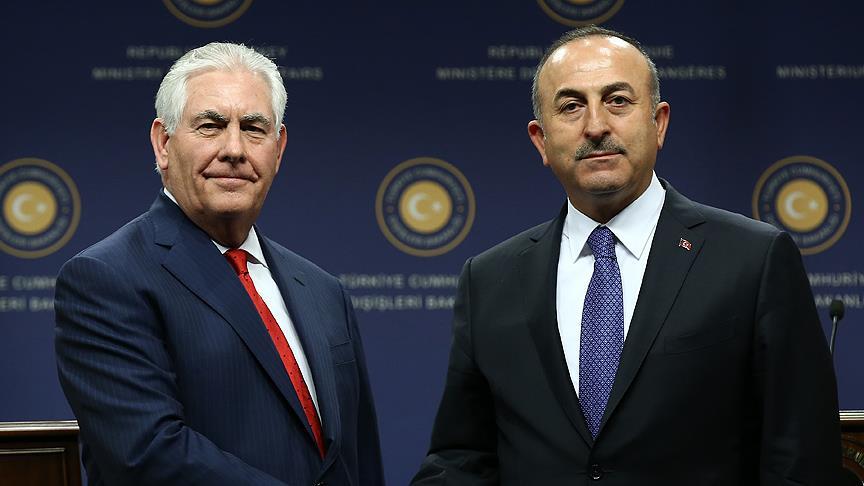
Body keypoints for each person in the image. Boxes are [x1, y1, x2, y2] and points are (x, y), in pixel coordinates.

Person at [412, 26, 841, 485]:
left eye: (617, 100)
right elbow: (463, 459)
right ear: (541, 140)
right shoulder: (489, 279)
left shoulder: (753, 260)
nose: (596, 126)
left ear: (659, 124)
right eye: (571, 106)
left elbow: (801, 461)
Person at [54, 42, 384, 486]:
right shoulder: (106, 278)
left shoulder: (324, 290)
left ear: (278, 149)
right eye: (210, 126)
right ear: (163, 143)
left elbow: (360, 460)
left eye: (253, 128)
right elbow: (149, 456)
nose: (234, 149)